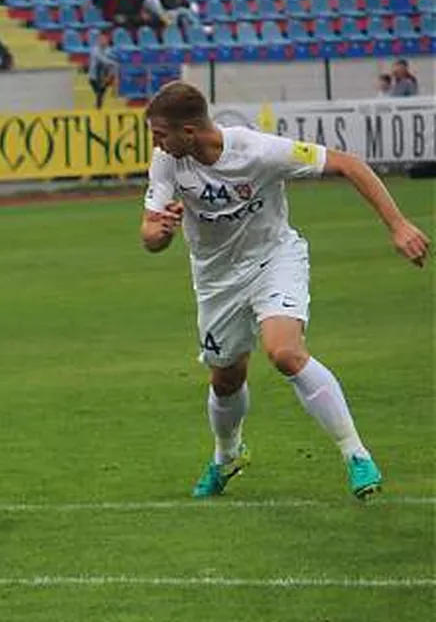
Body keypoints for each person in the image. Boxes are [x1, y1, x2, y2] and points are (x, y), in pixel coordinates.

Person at [140, 81, 430, 500]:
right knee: (225, 378)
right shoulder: (167, 161)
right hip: (216, 279)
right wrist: (160, 231)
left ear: (188, 132)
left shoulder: (258, 151)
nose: (155, 143)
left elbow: (348, 163)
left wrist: (399, 225)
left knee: (285, 352)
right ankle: (227, 455)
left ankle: (356, 454)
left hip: (274, 259)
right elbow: (150, 235)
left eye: (159, 134)